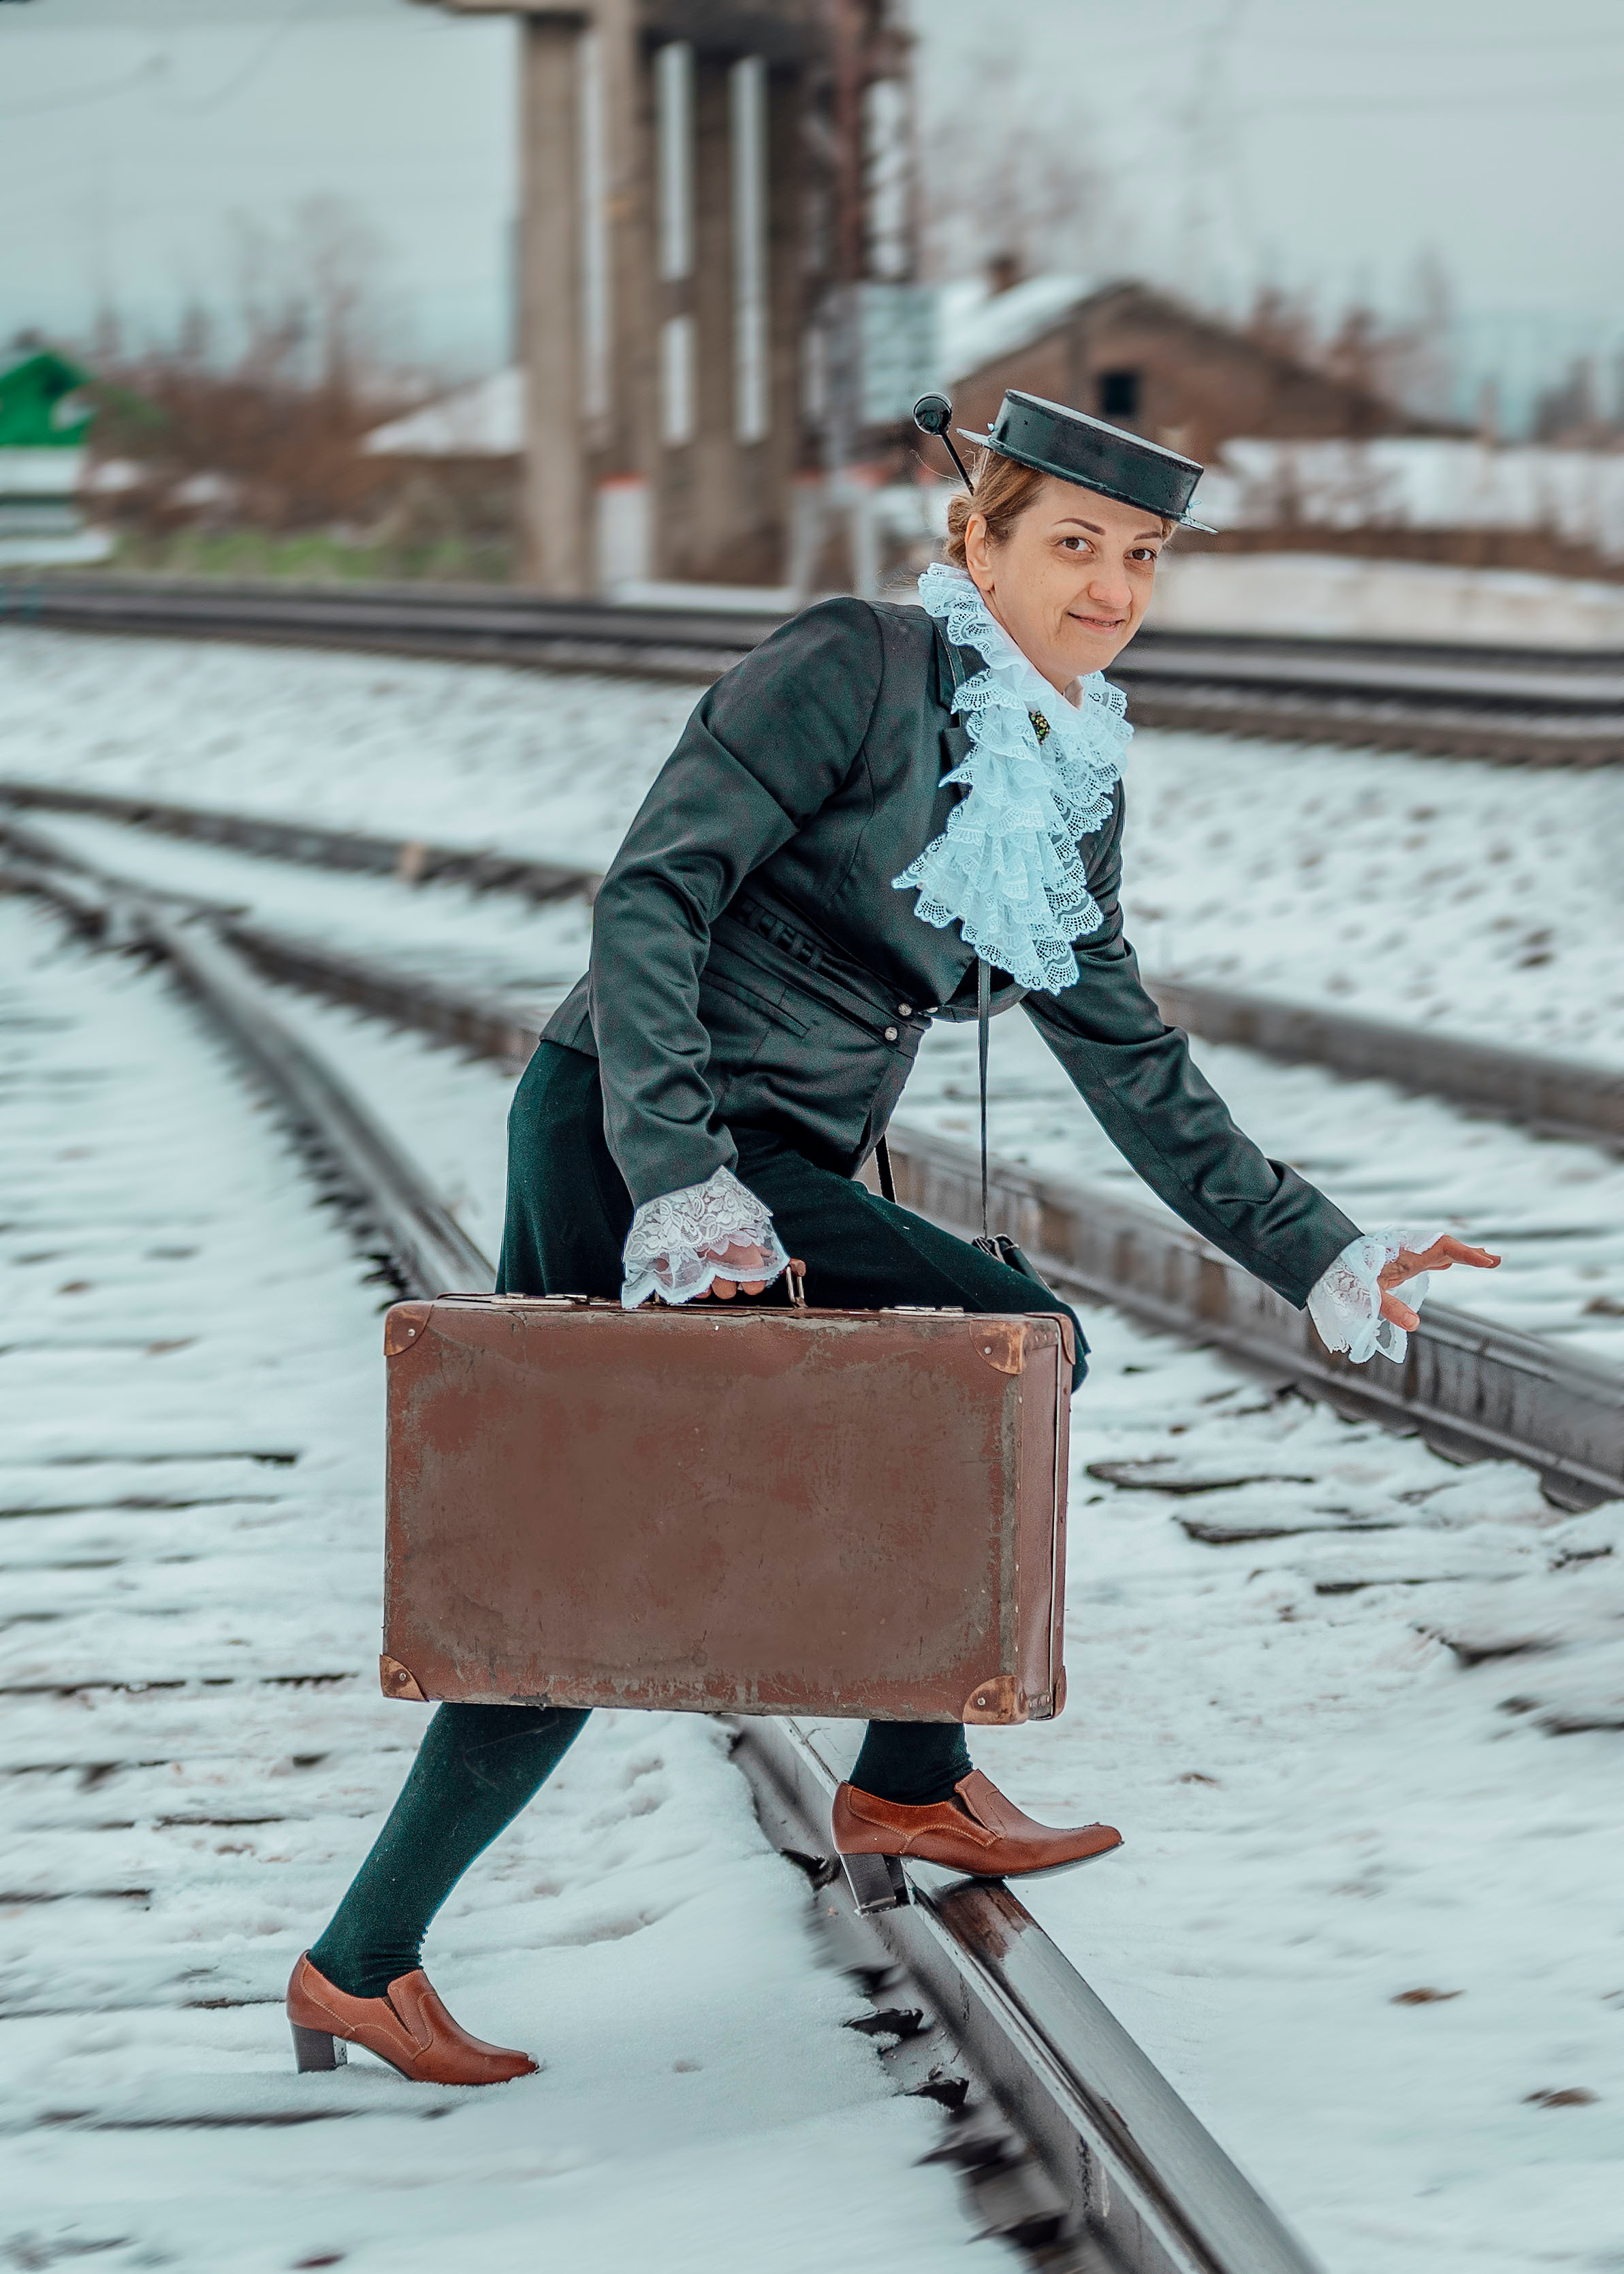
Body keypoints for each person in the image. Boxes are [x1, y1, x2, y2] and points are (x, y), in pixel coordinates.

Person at [287, 391, 1499, 2084]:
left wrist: (1316, 1249)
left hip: (779, 1150)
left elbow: (1124, 1049)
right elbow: (651, 893)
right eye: (1070, 543)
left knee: (955, 1375)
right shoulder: (847, 664)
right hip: (636, 1126)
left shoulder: (1065, 765)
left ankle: (877, 1785)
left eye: (1137, 555)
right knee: (586, 1554)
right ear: (975, 538)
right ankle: (409, 1946)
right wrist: (678, 1173)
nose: (1107, 586)